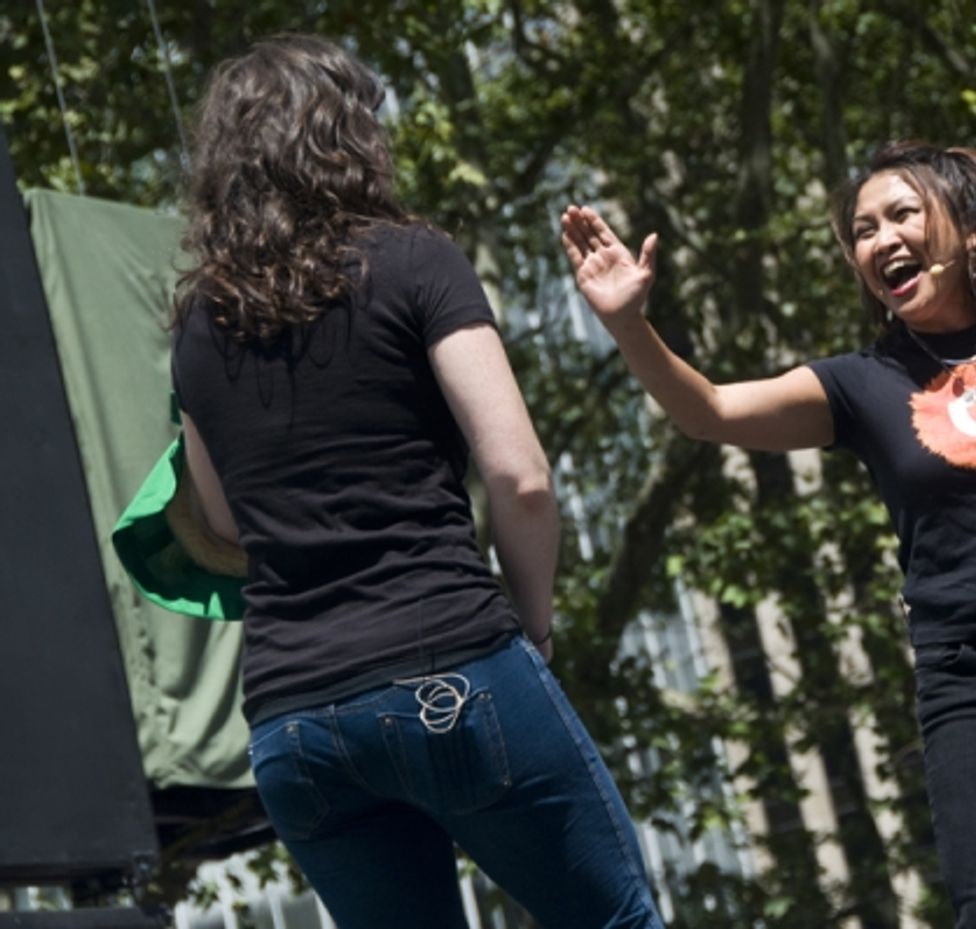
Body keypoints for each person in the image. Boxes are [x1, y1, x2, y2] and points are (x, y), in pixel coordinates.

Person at [560, 141, 976, 927]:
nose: (879, 239)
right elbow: (707, 410)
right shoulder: (859, 383)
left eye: (901, 214)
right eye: (861, 229)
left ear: (971, 228)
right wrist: (628, 323)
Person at [171, 35, 664, 929]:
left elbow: (220, 524)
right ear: (340, 134)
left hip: (293, 724)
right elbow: (520, 474)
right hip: (449, 665)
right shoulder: (413, 260)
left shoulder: (198, 328)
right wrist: (534, 629)